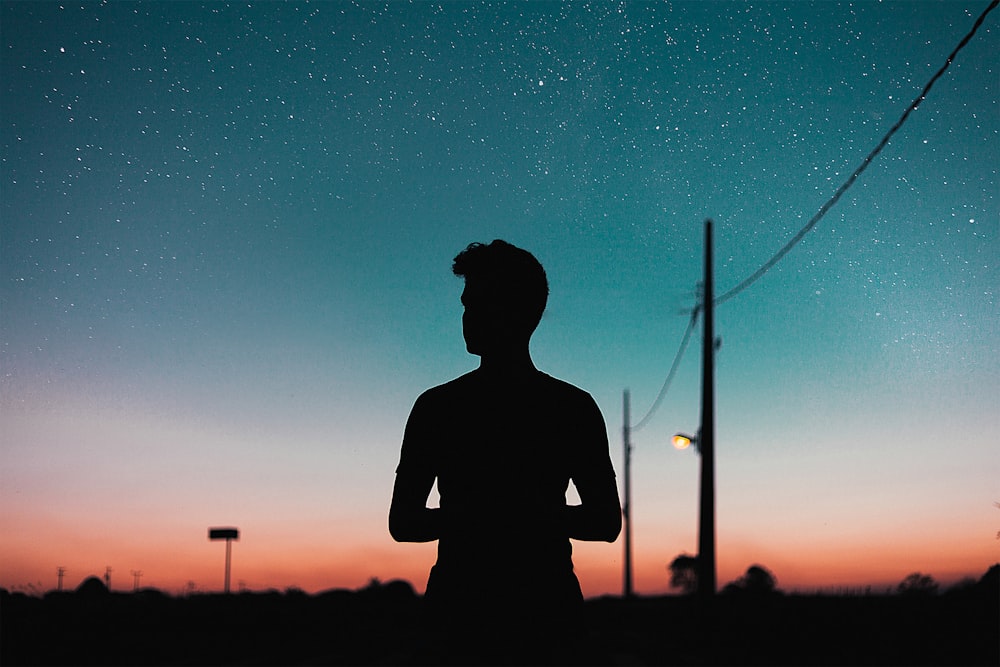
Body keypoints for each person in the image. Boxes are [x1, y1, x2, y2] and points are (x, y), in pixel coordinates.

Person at [389, 240, 622, 664]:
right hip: (520, 620)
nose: (467, 316)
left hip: (487, 622)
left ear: (518, 309)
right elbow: (402, 523)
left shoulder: (440, 407)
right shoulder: (570, 407)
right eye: (466, 304)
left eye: (478, 303)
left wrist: (484, 515)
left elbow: (607, 522)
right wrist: (529, 514)